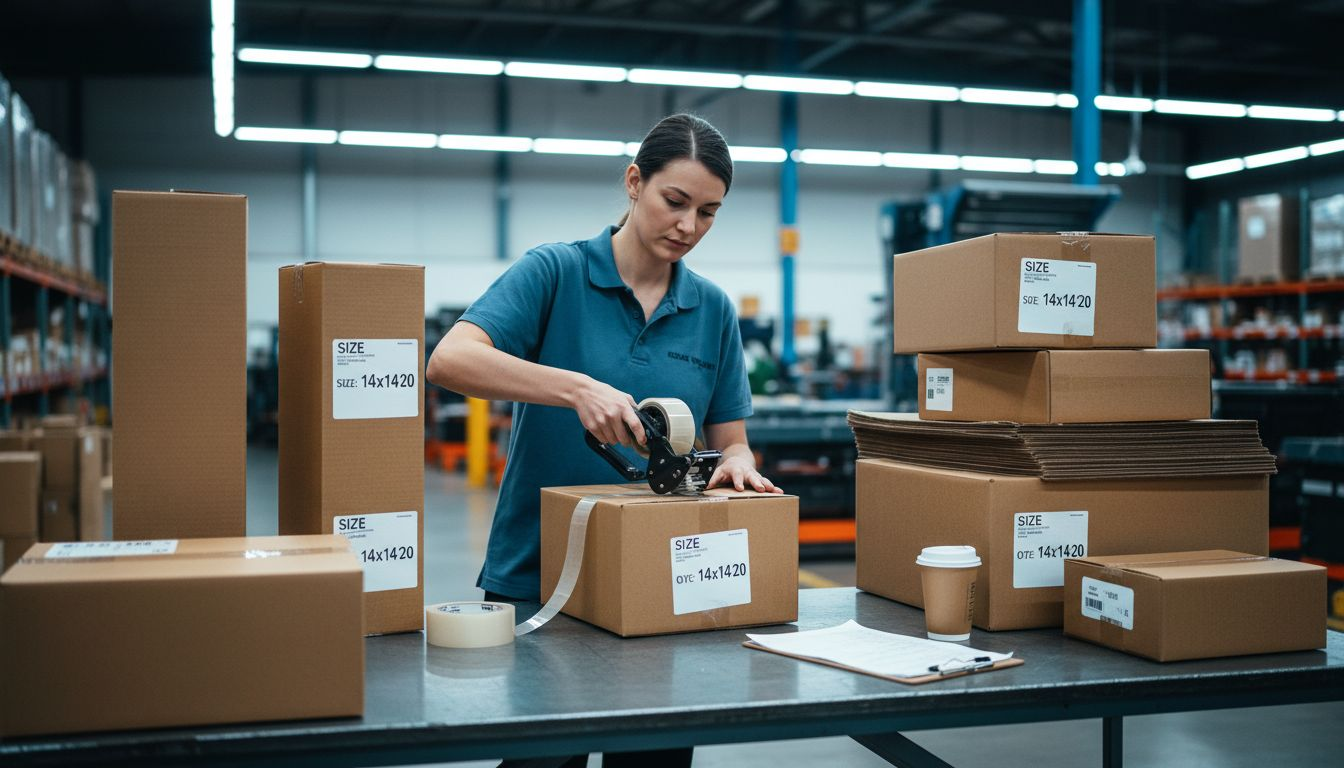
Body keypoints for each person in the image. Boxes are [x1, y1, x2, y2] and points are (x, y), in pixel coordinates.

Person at [426, 113, 781, 767]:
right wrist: (574, 388)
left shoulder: (713, 311)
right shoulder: (554, 273)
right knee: (542, 756)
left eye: (708, 213)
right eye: (675, 202)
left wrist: (738, 461)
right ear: (633, 182)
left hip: (659, 577)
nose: (688, 227)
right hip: (540, 575)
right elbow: (449, 360)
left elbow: (733, 439)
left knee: (653, 756)